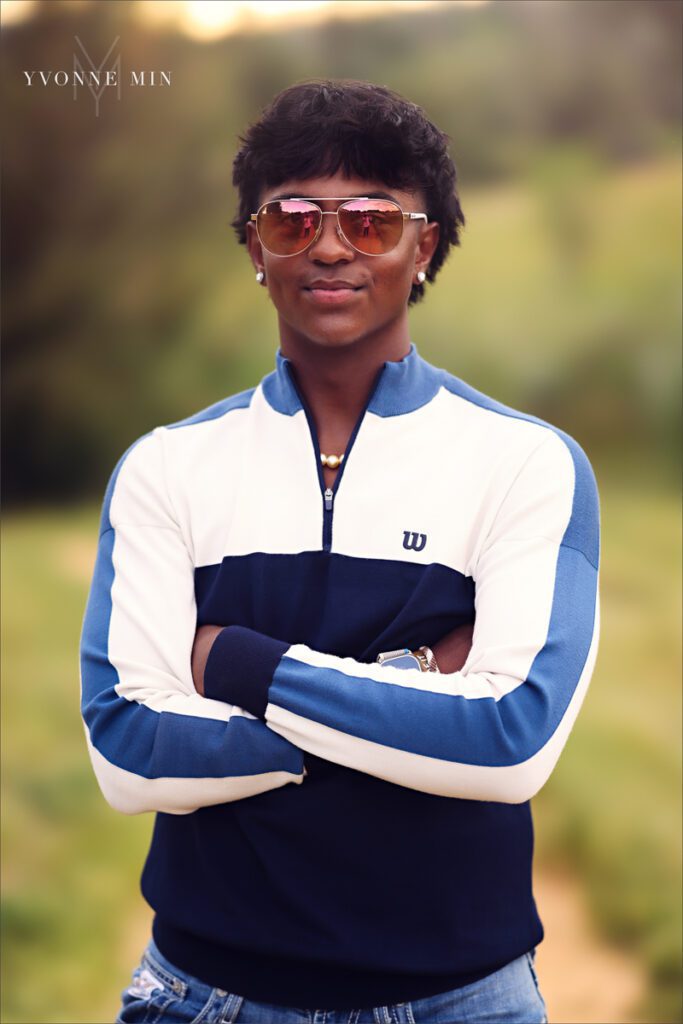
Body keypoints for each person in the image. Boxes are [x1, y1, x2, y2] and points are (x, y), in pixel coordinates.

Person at [80, 79, 600, 1024]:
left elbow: (508, 742)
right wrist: (415, 684)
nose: (327, 245)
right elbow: (125, 751)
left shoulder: (525, 462)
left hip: (463, 999)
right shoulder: (167, 467)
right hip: (207, 995)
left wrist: (235, 661)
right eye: (292, 219)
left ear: (423, 246)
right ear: (254, 246)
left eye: (369, 220)